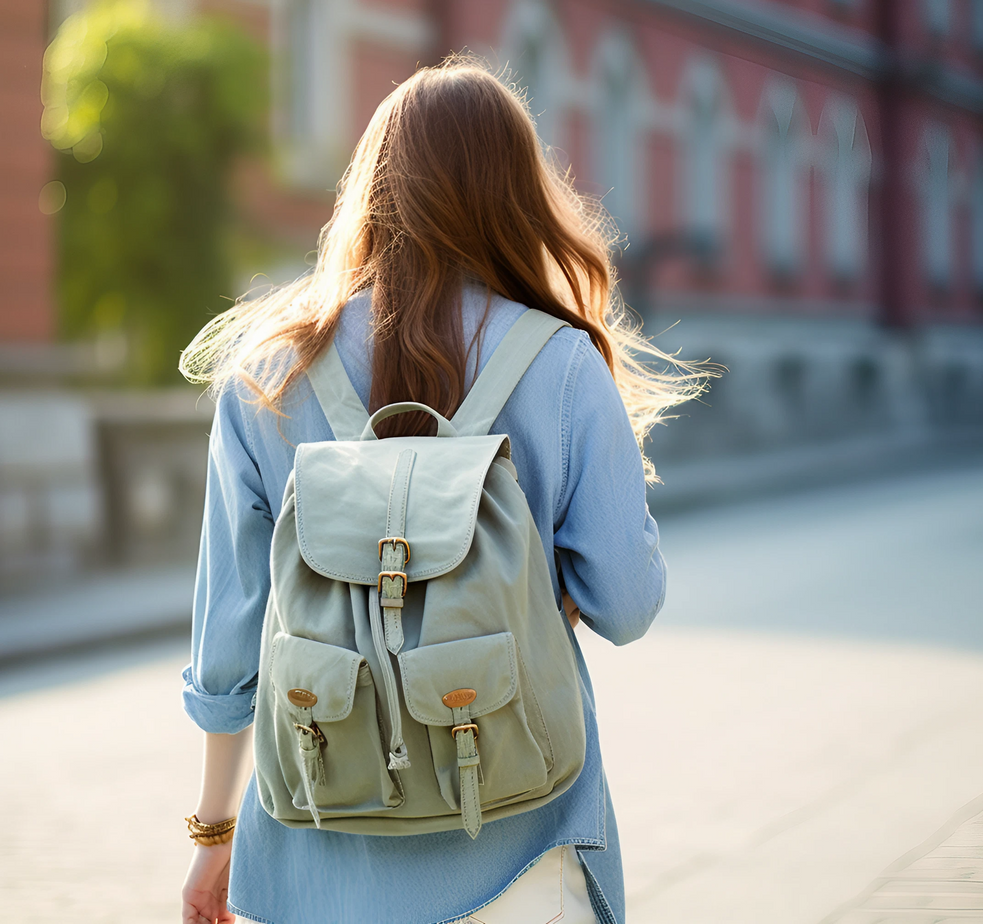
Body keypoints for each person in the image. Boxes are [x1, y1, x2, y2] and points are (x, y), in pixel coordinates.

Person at [178, 57, 704, 924]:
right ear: (518, 196)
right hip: (519, 833)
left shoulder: (268, 372)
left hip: (316, 847)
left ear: (372, 188)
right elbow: (628, 603)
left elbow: (229, 640)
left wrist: (213, 833)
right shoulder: (562, 364)